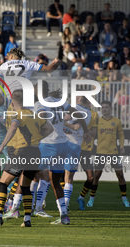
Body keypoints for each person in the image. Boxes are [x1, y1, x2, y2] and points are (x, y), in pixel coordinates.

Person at [0, 91, 54, 228]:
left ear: (13, 103)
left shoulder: (18, 114)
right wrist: (37, 138)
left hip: (22, 152)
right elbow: (49, 128)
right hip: (35, 152)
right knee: (25, 186)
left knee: (2, 183)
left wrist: (1, 146)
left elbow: (14, 127)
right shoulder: (33, 114)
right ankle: (27, 219)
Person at [35, 83, 91, 225]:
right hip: (62, 145)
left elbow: (41, 115)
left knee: (31, 174)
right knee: (56, 182)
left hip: (47, 144)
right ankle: (64, 216)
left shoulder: (38, 104)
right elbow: (77, 114)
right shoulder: (61, 103)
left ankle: (27, 208)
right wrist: (87, 130)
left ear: (38, 91)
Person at [86, 101, 130, 208]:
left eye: (106, 107)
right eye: (103, 107)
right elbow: (91, 135)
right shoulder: (98, 121)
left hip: (114, 153)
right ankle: (91, 199)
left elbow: (121, 135)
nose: (104, 109)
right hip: (101, 152)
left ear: (110, 108)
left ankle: (124, 199)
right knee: (96, 175)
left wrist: (122, 147)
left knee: (120, 175)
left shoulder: (116, 121)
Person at [62, 95, 92, 211]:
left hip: (69, 144)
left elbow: (75, 127)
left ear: (79, 99)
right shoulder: (87, 113)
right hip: (71, 145)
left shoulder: (81, 111)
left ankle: (63, 204)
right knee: (68, 177)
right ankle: (65, 204)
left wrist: (61, 122)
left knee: (60, 175)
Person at [76, 107, 99, 211]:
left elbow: (93, 133)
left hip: (85, 150)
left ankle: (81, 197)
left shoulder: (93, 114)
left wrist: (84, 129)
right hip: (72, 148)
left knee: (91, 177)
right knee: (65, 176)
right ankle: (64, 204)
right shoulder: (71, 111)